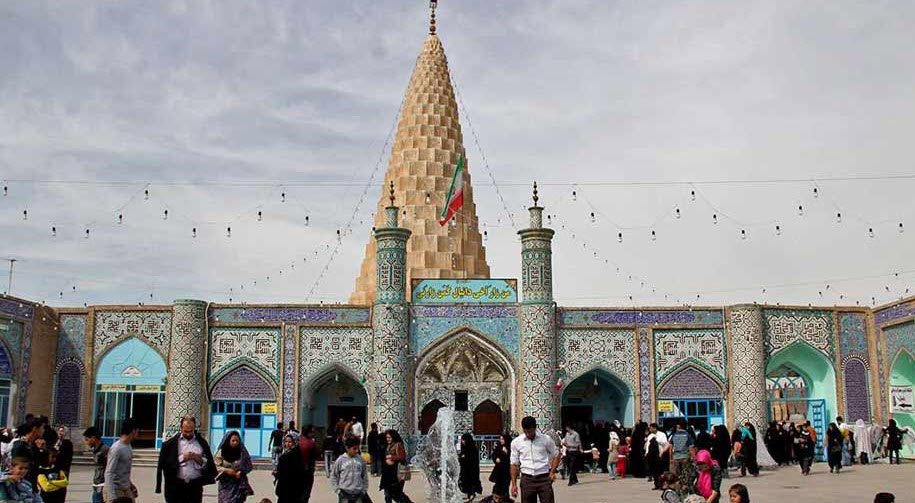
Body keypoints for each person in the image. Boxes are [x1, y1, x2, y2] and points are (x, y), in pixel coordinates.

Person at [156, 416, 218, 503]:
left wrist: (197, 458)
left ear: (194, 428)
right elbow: (165, 464)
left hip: (195, 487)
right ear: (181, 428)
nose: (188, 434)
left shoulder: (201, 443)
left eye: (191, 431)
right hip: (176, 487)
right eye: (186, 431)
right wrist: (183, 458)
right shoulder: (171, 444)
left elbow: (209, 464)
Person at [510, 416, 560, 503]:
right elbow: (514, 464)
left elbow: (556, 455)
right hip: (527, 479)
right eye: (526, 432)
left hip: (544, 478)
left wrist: (552, 472)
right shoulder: (517, 442)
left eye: (530, 431)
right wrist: (514, 484)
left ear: (535, 427)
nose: (528, 434)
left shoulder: (546, 439)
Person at [104, 418, 139, 503]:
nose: (138, 434)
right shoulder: (116, 448)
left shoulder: (128, 446)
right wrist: (112, 496)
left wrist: (131, 485)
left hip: (126, 488)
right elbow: (109, 472)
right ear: (133, 431)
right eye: (137, 431)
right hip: (116, 489)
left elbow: (123, 470)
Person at [215, 431, 254, 503]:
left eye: (237, 441)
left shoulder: (242, 452)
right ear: (228, 440)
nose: (235, 443)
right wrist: (226, 470)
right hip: (225, 485)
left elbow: (249, 465)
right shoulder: (221, 452)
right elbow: (215, 466)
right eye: (233, 441)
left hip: (238, 485)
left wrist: (241, 472)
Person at [331, 436, 370, 503]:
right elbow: (334, 475)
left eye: (358, 448)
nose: (356, 451)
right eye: (354, 449)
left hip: (358, 493)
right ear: (347, 448)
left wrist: (364, 490)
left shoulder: (361, 460)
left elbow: (364, 476)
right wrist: (338, 490)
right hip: (344, 493)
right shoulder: (340, 460)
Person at [380, 429, 413, 503]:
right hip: (388, 473)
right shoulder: (388, 445)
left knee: (397, 494)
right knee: (387, 493)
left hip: (396, 473)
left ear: (394, 437)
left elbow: (402, 456)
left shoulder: (398, 444)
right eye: (387, 437)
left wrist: (392, 457)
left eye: (389, 437)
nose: (388, 439)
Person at [274, 433, 304, 503]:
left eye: (290, 442)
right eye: (286, 441)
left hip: (291, 489)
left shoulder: (294, 456)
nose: (287, 444)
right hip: (285, 488)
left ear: (295, 442)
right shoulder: (286, 454)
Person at [83, 426, 109, 503]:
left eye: (87, 440)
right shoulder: (95, 450)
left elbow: (111, 468)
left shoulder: (105, 450)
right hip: (97, 484)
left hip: (102, 485)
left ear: (93, 438)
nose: (86, 442)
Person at [298, 425, 319, 503]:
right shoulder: (310, 443)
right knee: (305, 494)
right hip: (307, 471)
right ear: (308, 433)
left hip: (296, 471)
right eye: (312, 432)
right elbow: (317, 455)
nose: (313, 434)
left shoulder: (298, 441)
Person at [459, 433, 483, 501]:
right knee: (465, 481)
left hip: (472, 469)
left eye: (463, 440)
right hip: (465, 469)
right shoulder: (464, 448)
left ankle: (472, 493)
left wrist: (465, 457)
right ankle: (468, 494)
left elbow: (473, 460)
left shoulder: (473, 448)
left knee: (472, 481)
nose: (462, 441)